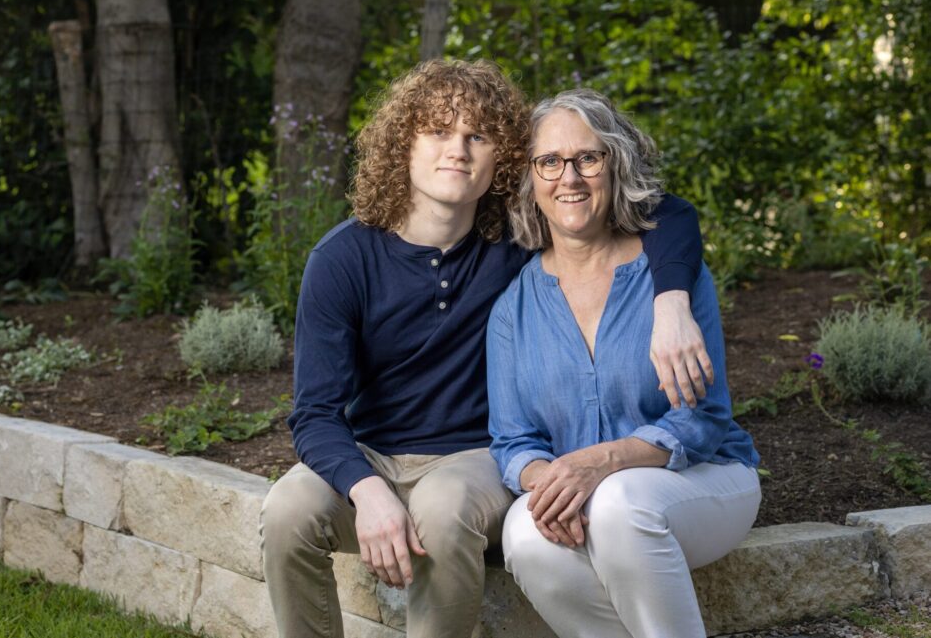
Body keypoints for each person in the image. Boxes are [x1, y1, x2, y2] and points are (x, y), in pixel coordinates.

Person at [259, 61, 711, 638]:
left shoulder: (518, 239)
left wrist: (671, 303)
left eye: (478, 136)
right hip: (371, 455)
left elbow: (669, 213)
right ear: (404, 145)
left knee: (444, 513)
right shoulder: (342, 260)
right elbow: (314, 414)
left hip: (476, 460)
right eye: (439, 132)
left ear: (502, 158)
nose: (459, 150)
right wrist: (367, 492)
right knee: (287, 510)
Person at [487, 88, 762, 638]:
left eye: (588, 157)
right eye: (550, 162)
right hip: (589, 497)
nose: (570, 177)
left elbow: (701, 420)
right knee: (522, 528)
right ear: (530, 182)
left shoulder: (671, 282)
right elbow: (512, 442)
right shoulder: (512, 308)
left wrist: (602, 463)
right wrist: (554, 483)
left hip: (702, 480)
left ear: (615, 165)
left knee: (618, 502)